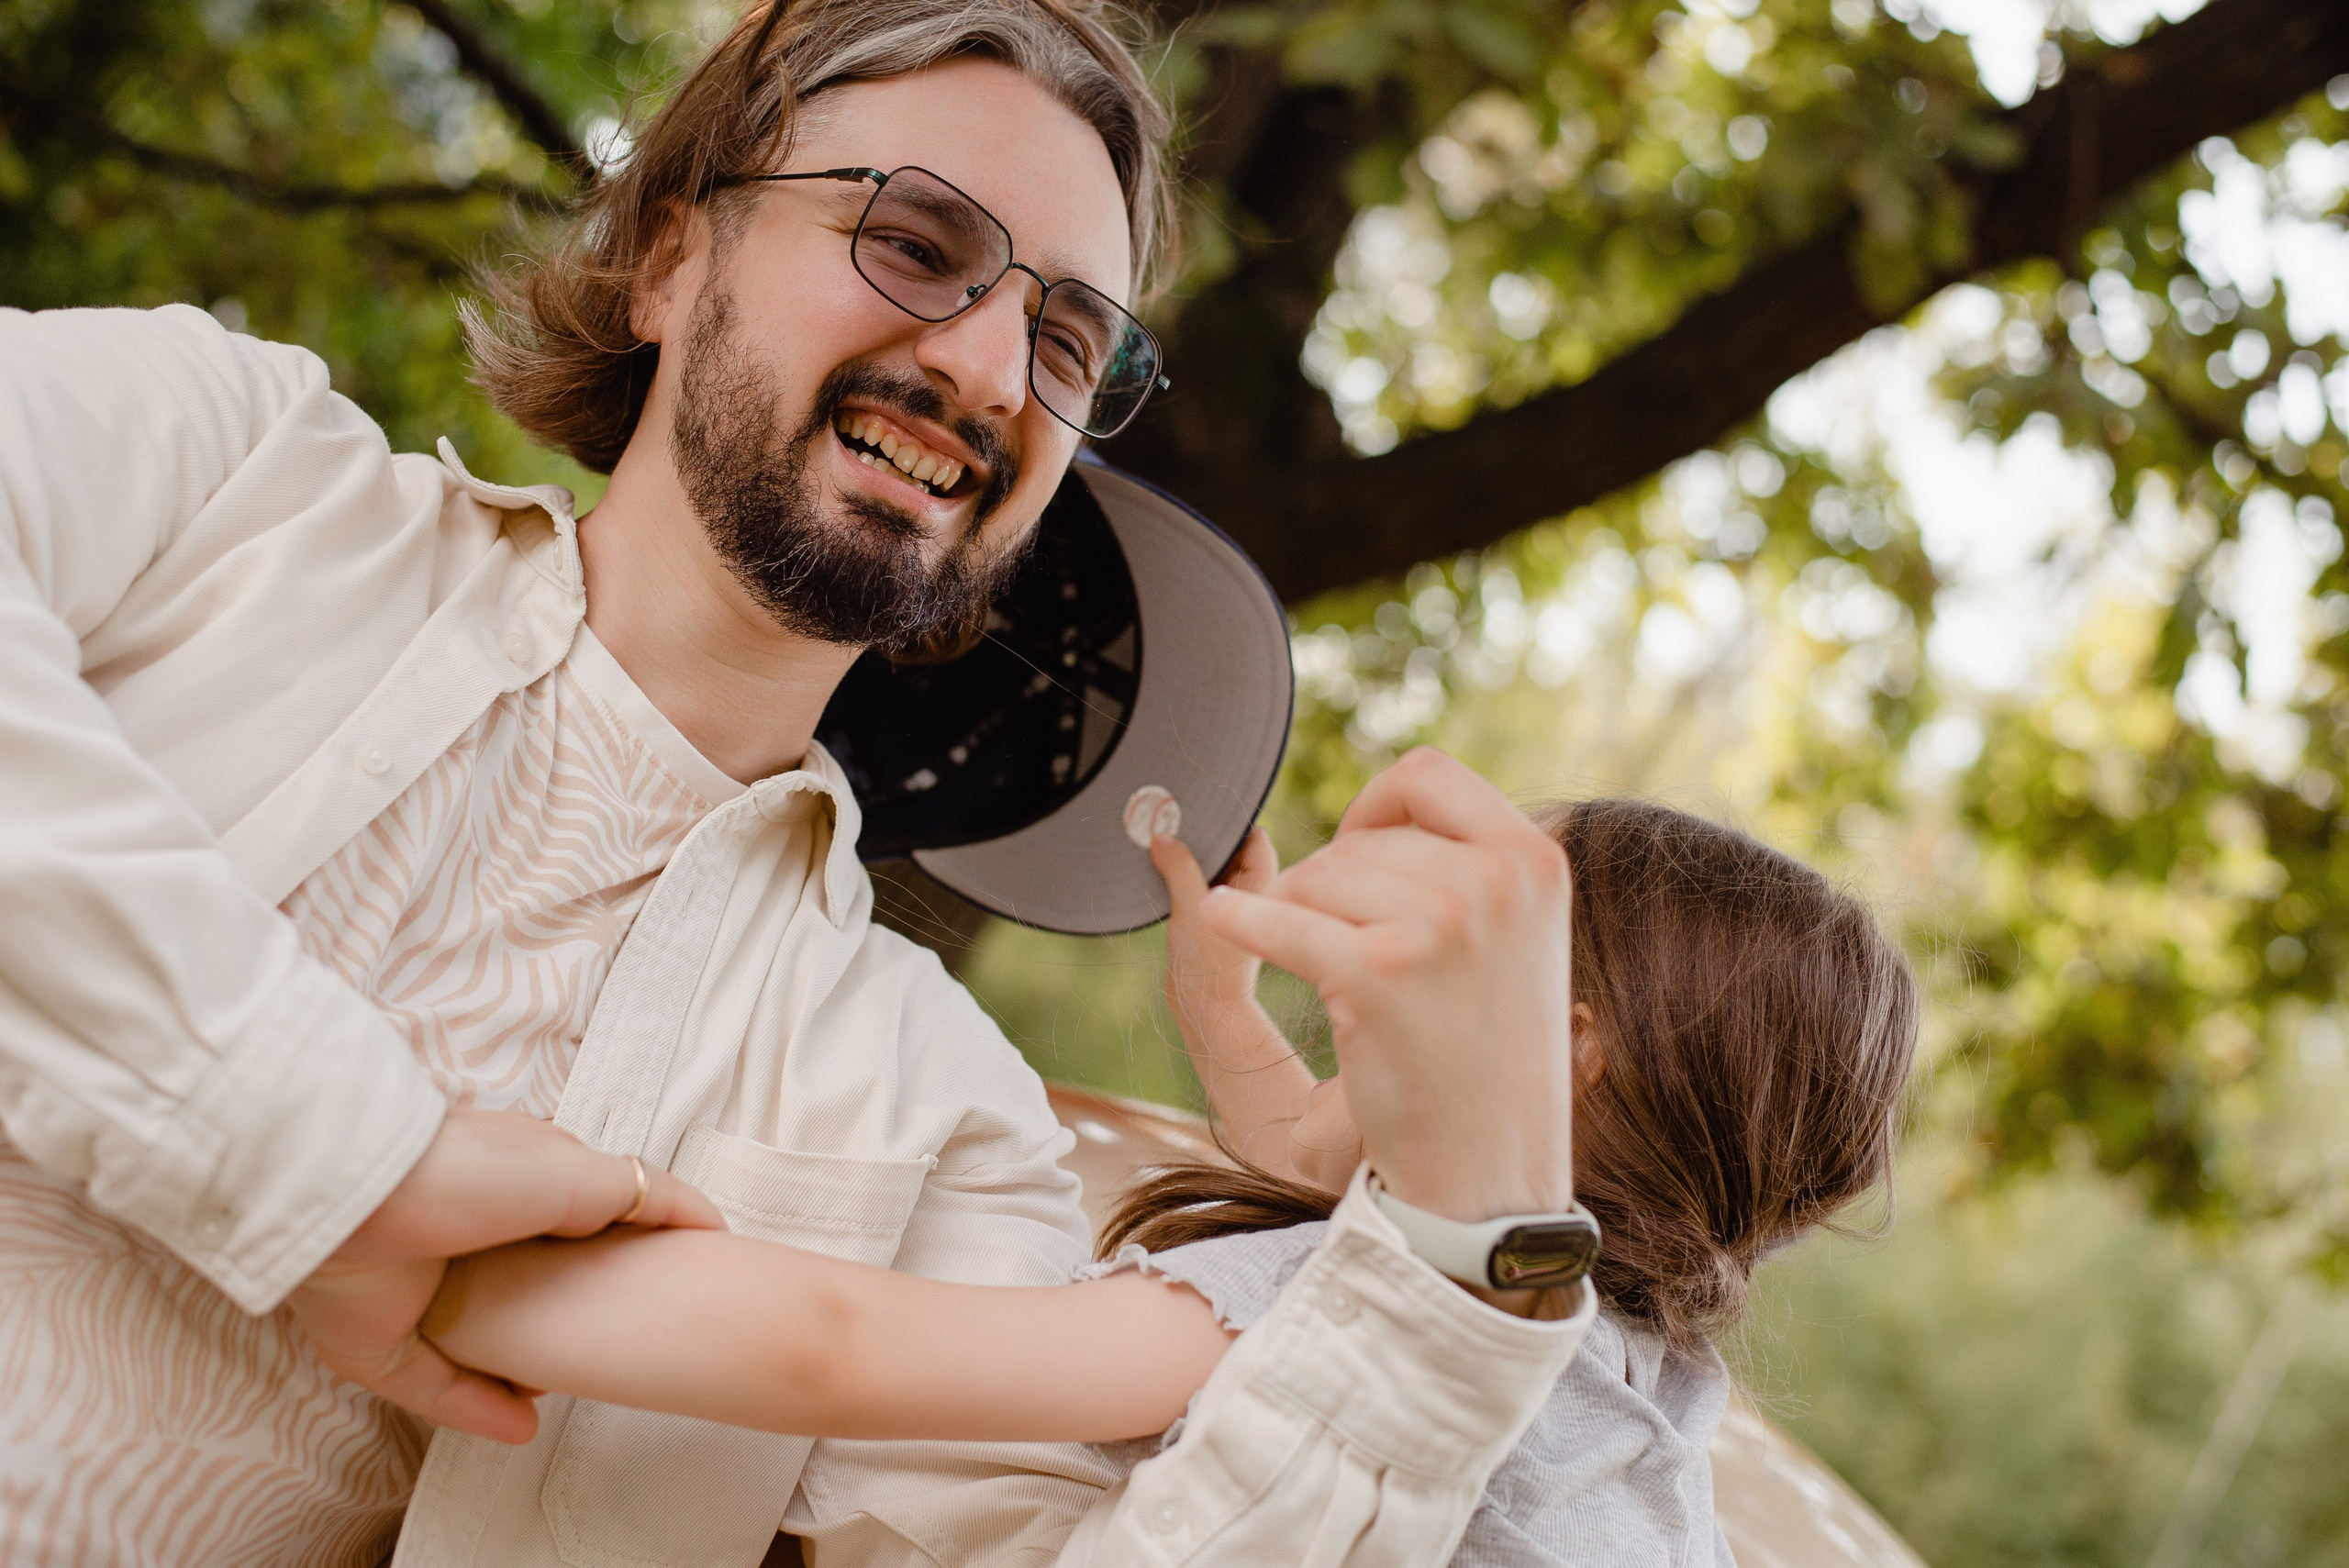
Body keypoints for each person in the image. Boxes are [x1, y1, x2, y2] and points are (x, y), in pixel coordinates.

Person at [0, 5, 1600, 1565]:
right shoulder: (227, 470)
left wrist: (1465, 1255)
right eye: (914, 242)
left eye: (1064, 342)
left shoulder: (938, 1112)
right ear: (668, 256)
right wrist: (341, 1162)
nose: (990, 366)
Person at [413, 772, 1918, 1566]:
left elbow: (839, 1347)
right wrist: (1223, 1015)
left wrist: (408, 1248)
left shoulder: (1333, 1307)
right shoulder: (1630, 1372)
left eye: (1469, 924)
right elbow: (1317, 1165)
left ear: (1559, 1050)